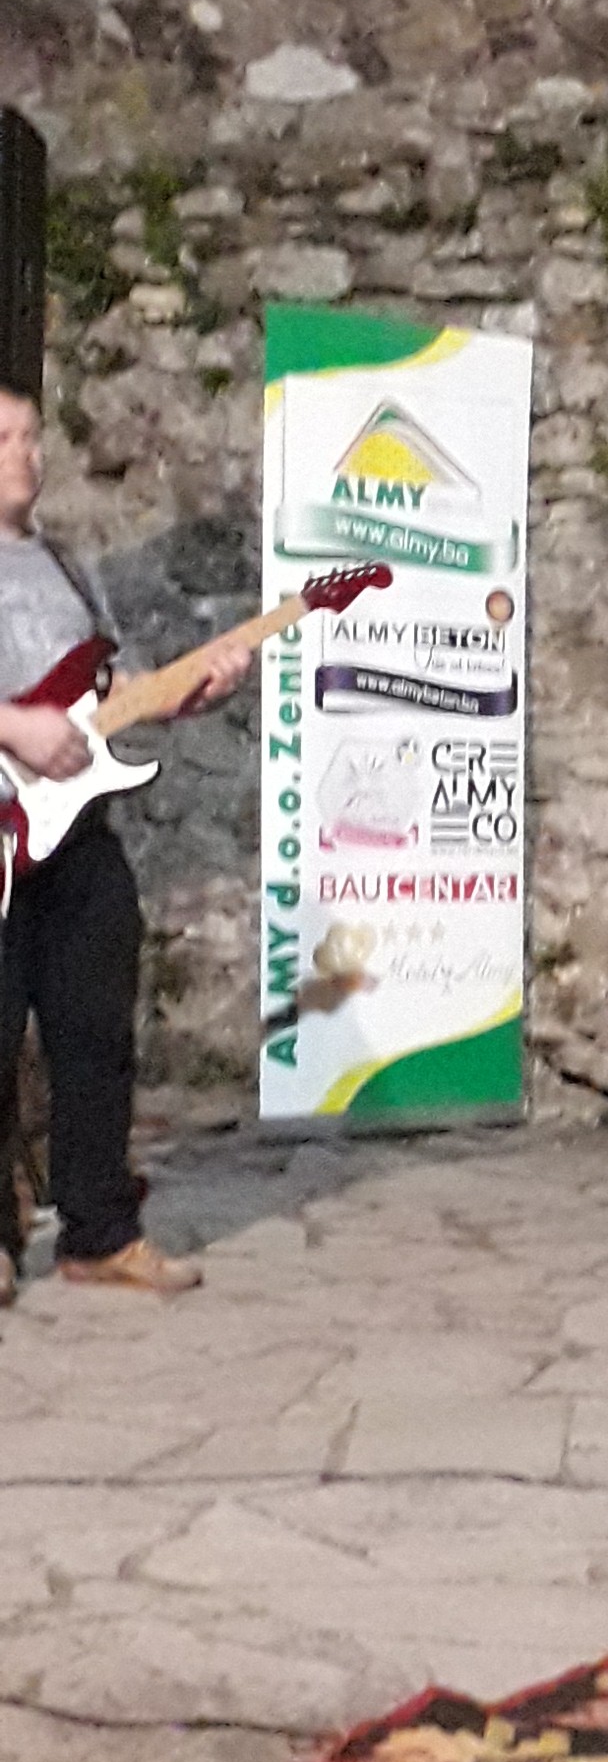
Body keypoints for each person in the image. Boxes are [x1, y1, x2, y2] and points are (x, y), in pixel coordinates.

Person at [0, 383, 250, 1303]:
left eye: (32, 435)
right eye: (4, 437)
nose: (26, 453)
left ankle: (100, 1232)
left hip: (76, 833)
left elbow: (113, 692)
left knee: (97, 1030)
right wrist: (12, 728)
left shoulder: (67, 566)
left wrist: (192, 692)